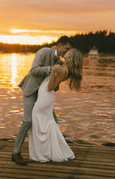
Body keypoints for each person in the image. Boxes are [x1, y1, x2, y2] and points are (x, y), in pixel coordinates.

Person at [12, 36, 74, 165]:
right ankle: (15, 153)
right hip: (31, 91)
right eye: (66, 48)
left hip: (43, 95)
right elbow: (33, 71)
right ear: (59, 44)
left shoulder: (59, 60)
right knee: (28, 120)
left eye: (69, 50)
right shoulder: (44, 52)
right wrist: (50, 68)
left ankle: (51, 150)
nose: (66, 52)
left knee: (53, 121)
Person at [29, 48, 83, 162]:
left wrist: (53, 71)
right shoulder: (64, 67)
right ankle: (49, 150)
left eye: (69, 52)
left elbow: (51, 86)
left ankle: (44, 152)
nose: (67, 52)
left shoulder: (64, 70)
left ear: (71, 56)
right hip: (46, 95)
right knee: (46, 122)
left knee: (38, 119)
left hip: (46, 95)